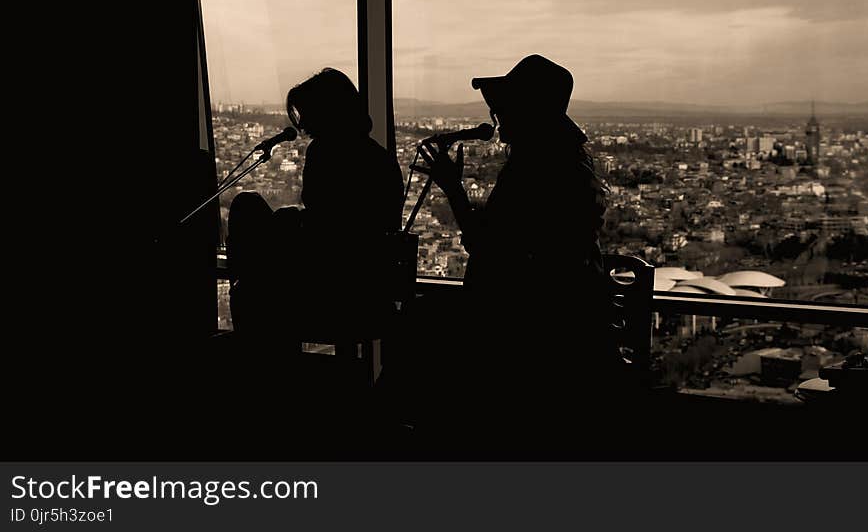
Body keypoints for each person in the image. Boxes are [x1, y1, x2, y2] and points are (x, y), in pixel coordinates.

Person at [418, 54, 620, 437]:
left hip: (529, 339)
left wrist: (453, 189)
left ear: (527, 112)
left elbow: (488, 247)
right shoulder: (569, 168)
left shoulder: (533, 173)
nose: (498, 119)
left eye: (504, 110)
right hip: (569, 336)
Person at [228, 68, 404, 341]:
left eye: (307, 114)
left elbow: (327, 231)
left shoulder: (324, 152)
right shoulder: (381, 159)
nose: (304, 125)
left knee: (245, 212)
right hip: (369, 296)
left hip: (331, 292)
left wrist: (289, 221)